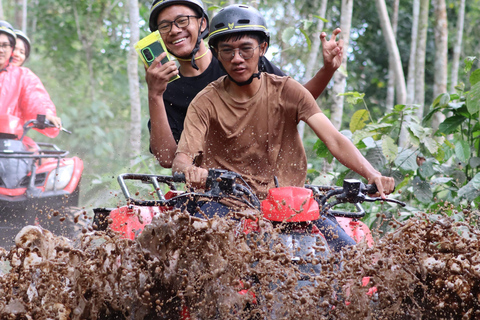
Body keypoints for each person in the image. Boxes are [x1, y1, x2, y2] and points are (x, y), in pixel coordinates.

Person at [172, 5, 395, 252]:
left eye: (246, 48)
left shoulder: (288, 90)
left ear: (262, 48)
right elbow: (181, 161)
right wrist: (192, 172)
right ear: (216, 53)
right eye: (227, 51)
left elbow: (334, 139)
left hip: (290, 205)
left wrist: (371, 173)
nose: (237, 58)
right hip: (226, 204)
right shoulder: (205, 102)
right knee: (217, 267)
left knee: (353, 259)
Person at [146, 0, 344, 168]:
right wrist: (155, 94)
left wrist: (327, 70)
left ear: (202, 23)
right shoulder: (166, 88)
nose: (174, 30)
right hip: (211, 191)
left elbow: (296, 103)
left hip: (268, 178)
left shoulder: (240, 61)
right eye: (164, 26)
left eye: (182, 21)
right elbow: (167, 158)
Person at [0, 21, 61, 137]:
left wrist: (45, 114)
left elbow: (35, 98)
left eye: (5, 45)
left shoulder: (23, 76)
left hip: (9, 143)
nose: (1, 50)